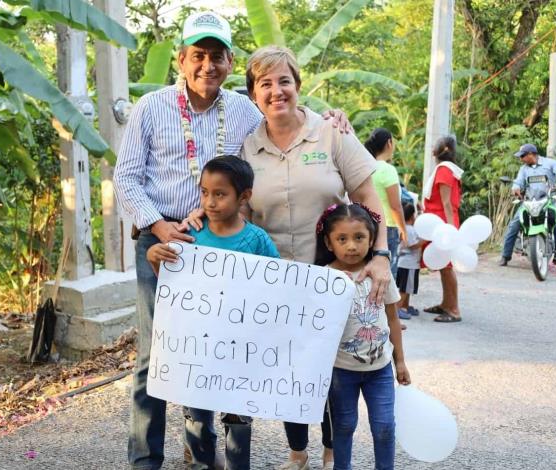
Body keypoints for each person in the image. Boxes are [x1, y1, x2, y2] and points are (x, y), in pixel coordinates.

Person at [113, 12, 349, 469]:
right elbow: (126, 177)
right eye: (198, 55)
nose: (208, 65)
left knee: (212, 351)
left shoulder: (243, 109)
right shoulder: (151, 107)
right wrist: (159, 226)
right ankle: (145, 460)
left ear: (229, 60)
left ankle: (203, 454)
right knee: (156, 355)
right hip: (165, 244)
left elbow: (290, 113)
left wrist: (334, 119)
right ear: (180, 60)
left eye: (217, 56)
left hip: (224, 247)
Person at [240, 45, 392, 470]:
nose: (276, 91)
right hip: (278, 284)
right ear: (254, 94)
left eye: (284, 81)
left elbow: (366, 197)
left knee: (332, 371)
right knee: (290, 371)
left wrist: (379, 254)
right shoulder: (247, 149)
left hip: (335, 281)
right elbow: (241, 216)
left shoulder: (331, 133)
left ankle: (330, 451)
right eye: (265, 84)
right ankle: (297, 453)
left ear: (298, 85)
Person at [146, 156, 278, 469]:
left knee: (238, 420)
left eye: (220, 194)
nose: (210, 201)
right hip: (196, 349)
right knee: (196, 418)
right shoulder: (188, 235)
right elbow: (169, 287)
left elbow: (279, 289)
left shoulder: (257, 240)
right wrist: (154, 256)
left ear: (244, 196)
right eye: (205, 192)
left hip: (239, 351)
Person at [314, 203, 411, 470]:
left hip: (380, 369)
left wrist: (400, 362)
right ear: (329, 242)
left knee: (384, 427)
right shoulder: (323, 277)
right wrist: (329, 289)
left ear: (371, 240)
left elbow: (393, 318)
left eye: (359, 238)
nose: (352, 246)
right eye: (342, 239)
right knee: (343, 427)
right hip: (340, 370)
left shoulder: (380, 273)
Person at [499, 143, 556, 274]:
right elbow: (518, 181)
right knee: (514, 224)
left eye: (523, 156)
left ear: (531, 155)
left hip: (548, 202)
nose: (521, 159)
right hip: (529, 202)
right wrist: (515, 188)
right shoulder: (524, 169)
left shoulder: (550, 163)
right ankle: (505, 256)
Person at [422, 136, 463, 323]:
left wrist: (450, 230)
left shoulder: (445, 170)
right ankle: (446, 303)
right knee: (443, 266)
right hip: (438, 223)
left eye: (435, 143)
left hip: (443, 224)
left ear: (443, 149)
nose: (432, 146)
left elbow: (446, 203)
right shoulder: (444, 170)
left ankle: (453, 309)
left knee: (446, 267)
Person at [365, 129, 408, 279]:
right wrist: (403, 229)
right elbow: (395, 206)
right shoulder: (388, 170)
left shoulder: (364, 166)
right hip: (388, 228)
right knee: (387, 275)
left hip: (366, 226)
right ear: (389, 143)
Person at [396, 203, 423, 319]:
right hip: (408, 264)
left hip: (408, 264)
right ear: (413, 216)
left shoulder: (404, 228)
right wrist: (424, 241)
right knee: (404, 289)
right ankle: (397, 309)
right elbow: (412, 246)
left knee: (408, 288)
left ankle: (405, 307)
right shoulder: (410, 230)